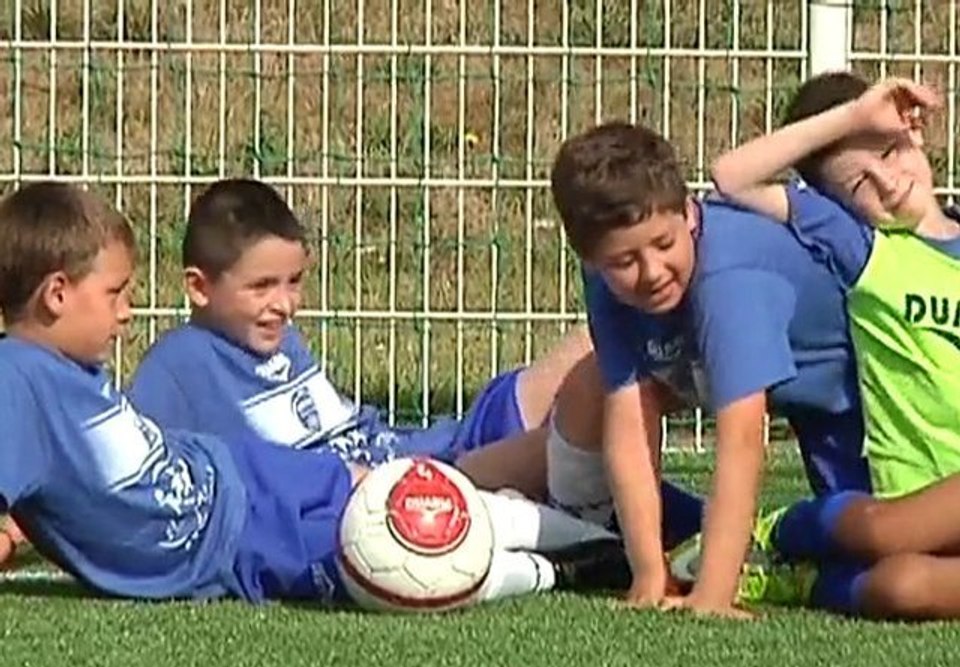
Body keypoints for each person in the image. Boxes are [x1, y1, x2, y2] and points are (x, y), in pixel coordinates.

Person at [0, 181, 639, 610]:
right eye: (115, 294)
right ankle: (565, 568)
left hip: (243, 475)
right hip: (227, 543)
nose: (128, 311)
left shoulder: (64, 368)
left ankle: (599, 541)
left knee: (401, 504)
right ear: (57, 295)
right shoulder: (17, 378)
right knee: (394, 556)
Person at [548, 120, 867, 618]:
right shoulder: (602, 280)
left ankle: (757, 553)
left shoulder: (728, 279)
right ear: (590, 259)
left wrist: (714, 594)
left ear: (688, 213)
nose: (652, 272)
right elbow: (630, 416)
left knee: (876, 544)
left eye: (663, 244)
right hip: (804, 398)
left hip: (865, 399)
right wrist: (648, 576)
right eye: (625, 261)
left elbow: (741, 439)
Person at [702, 71, 960, 620]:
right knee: (900, 575)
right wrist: (856, 116)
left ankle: (802, 575)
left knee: (903, 587)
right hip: (914, 506)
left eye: (888, 152)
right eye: (860, 183)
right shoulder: (865, 249)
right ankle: (785, 534)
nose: (887, 182)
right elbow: (731, 176)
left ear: (915, 132)